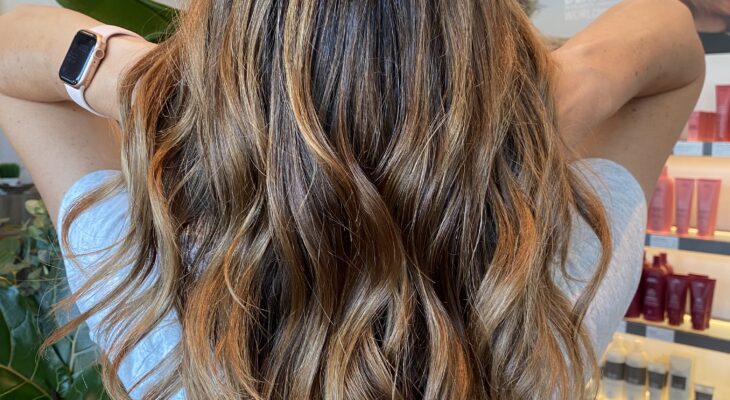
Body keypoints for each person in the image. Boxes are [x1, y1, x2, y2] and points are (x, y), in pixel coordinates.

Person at [0, 0, 704, 399]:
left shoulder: (162, 320)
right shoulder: (549, 290)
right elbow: (672, 39)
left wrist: (149, 84)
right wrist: (542, 100)